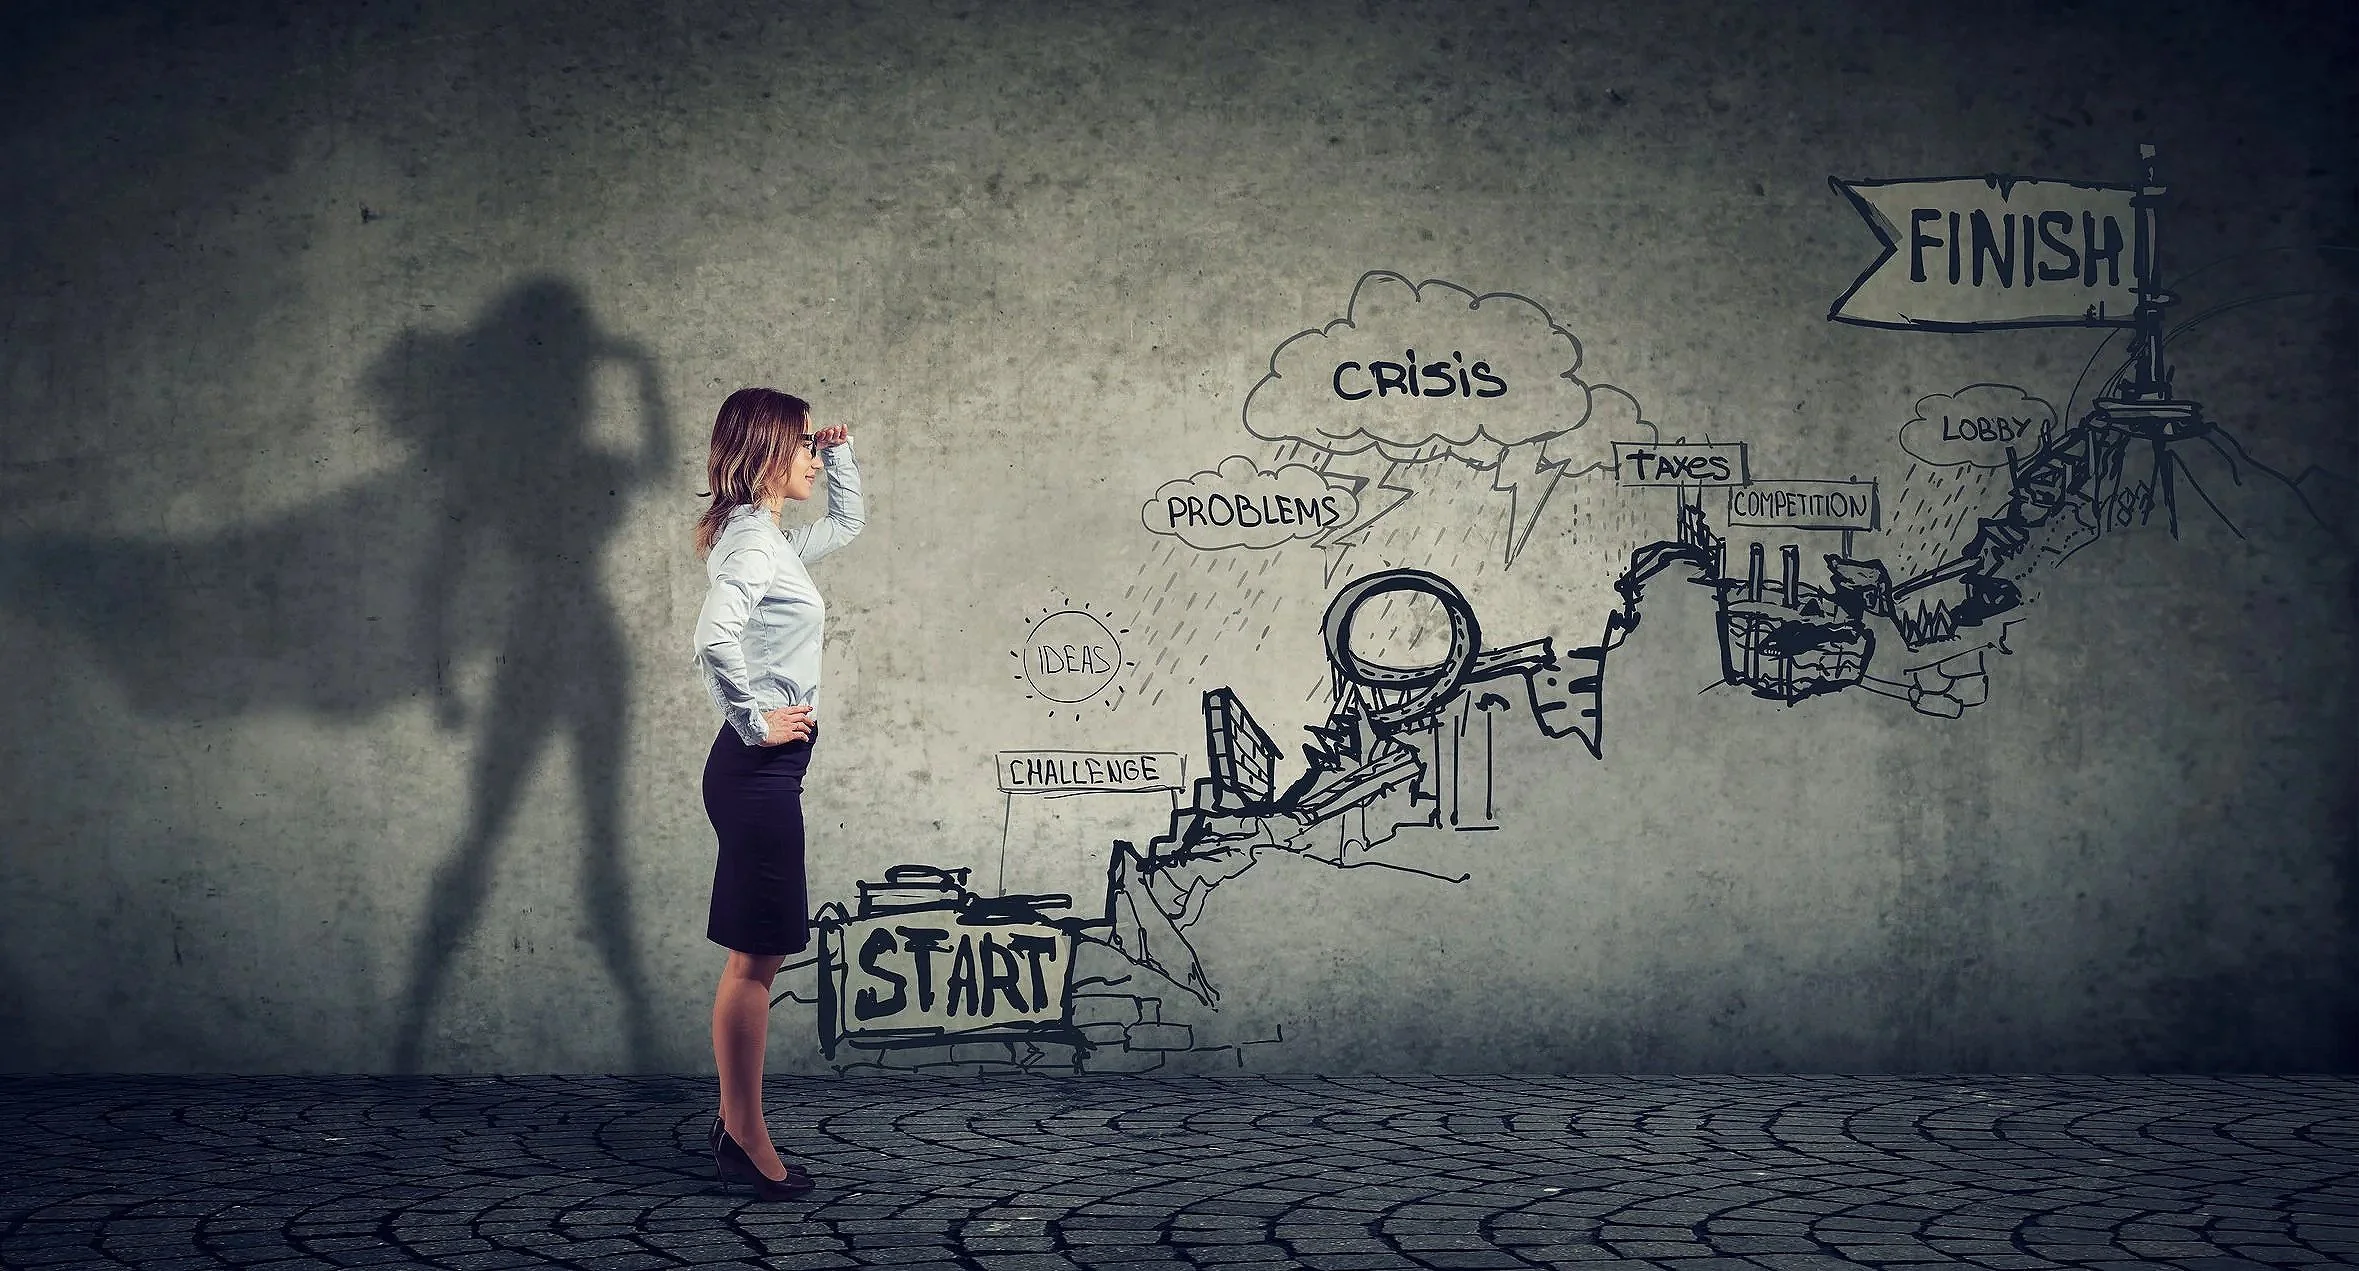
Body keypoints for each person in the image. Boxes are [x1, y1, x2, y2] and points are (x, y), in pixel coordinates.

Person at [691, 386, 865, 1201]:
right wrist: (758, 720)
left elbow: (847, 526)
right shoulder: (753, 544)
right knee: (757, 960)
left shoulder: (765, 536)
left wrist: (842, 459)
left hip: (761, 772)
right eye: (801, 445)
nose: (810, 456)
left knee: (756, 954)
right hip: (757, 771)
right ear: (764, 452)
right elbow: (712, 638)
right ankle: (745, 1137)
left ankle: (735, 1123)